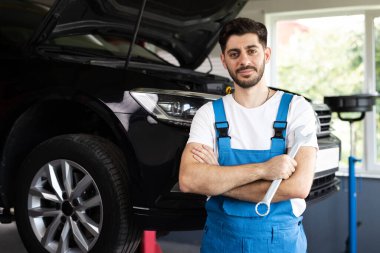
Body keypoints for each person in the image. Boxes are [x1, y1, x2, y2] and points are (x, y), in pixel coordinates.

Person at [179, 17, 318, 253]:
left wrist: (217, 181)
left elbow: (298, 186)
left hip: (280, 240)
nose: (244, 60)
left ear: (266, 54)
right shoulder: (209, 114)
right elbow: (189, 180)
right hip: (221, 240)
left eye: (251, 51)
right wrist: (264, 170)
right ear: (224, 60)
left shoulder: (296, 108)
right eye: (234, 54)